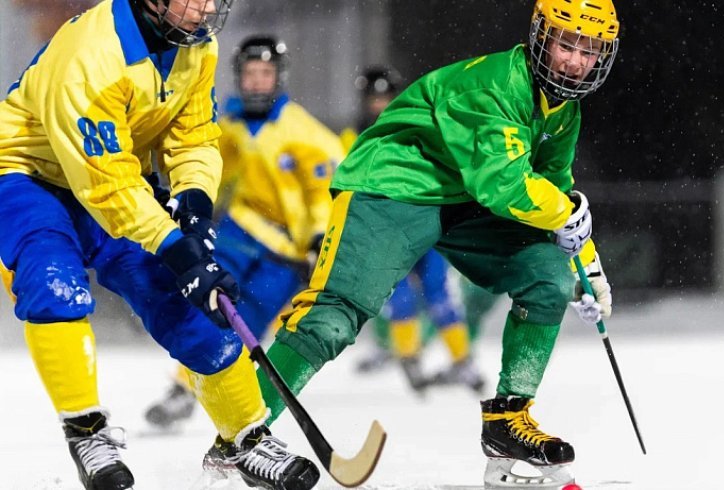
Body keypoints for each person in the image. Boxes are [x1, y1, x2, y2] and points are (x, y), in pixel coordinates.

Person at [248, 0, 619, 485]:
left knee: (549, 275)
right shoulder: (497, 85)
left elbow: (558, 198)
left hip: (463, 200)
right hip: (394, 186)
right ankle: (242, 434)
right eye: (565, 44)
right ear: (541, 38)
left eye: (588, 50)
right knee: (334, 319)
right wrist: (566, 214)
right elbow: (505, 186)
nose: (574, 60)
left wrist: (585, 270)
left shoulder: (564, 110)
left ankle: (508, 420)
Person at [0, 2, 319, 489]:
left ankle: (246, 436)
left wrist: (194, 205)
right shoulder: (92, 56)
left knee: (186, 299)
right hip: (30, 176)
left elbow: (193, 136)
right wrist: (175, 246)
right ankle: (87, 430)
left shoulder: (196, 44)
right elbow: (106, 187)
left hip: (119, 176)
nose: (209, 8)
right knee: (54, 285)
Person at [144, 34, 345, 429]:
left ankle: (225, 394)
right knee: (211, 302)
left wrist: (319, 238)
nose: (256, 81)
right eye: (249, 73)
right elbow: (209, 170)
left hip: (286, 250)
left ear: (279, 77)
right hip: (239, 230)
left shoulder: (306, 133)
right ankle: (182, 388)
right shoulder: (228, 125)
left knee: (249, 318)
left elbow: (322, 193)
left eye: (265, 73)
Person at [342, 66, 486, 393]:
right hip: (388, 231)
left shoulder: (416, 126)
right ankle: (409, 359)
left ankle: (463, 361)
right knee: (400, 296)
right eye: (374, 98)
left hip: (425, 223)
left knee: (439, 292)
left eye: (385, 98)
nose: (379, 105)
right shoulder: (354, 137)